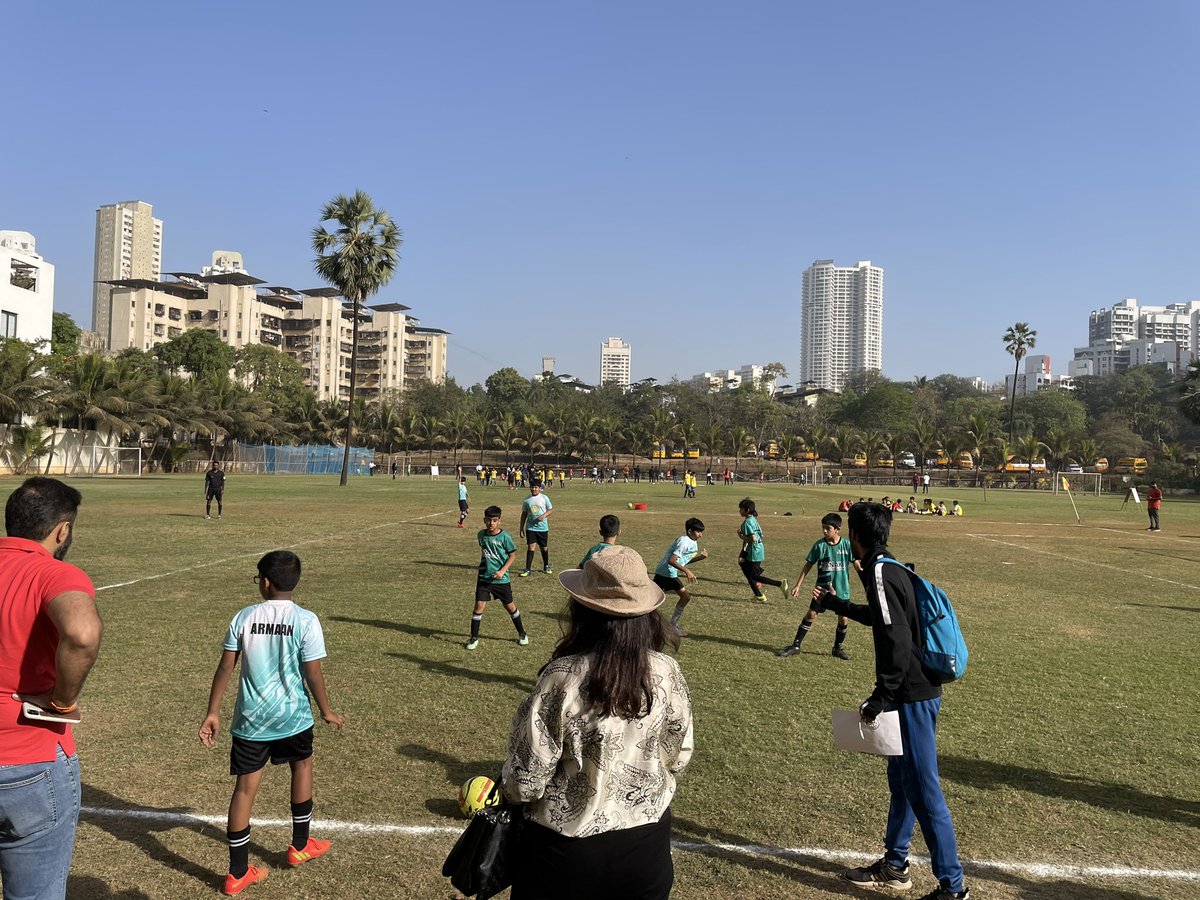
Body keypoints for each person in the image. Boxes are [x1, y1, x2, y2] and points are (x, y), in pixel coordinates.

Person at [503, 547, 693, 900]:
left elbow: (525, 781)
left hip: (565, 853)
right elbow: (679, 755)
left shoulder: (562, 678)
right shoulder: (667, 672)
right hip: (646, 848)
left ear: (582, 610)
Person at [818, 503, 970, 900]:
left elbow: (898, 640)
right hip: (908, 693)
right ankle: (895, 864)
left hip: (912, 696)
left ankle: (953, 888)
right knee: (902, 782)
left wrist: (880, 696)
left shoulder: (882, 571)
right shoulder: (886, 567)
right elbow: (883, 619)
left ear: (855, 535)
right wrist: (837, 605)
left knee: (924, 788)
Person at [199, 550, 345, 896]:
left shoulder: (245, 617)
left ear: (265, 582)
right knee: (303, 766)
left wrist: (213, 711)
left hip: (251, 722)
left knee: (245, 789)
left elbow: (225, 668)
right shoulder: (306, 620)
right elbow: (313, 672)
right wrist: (325, 709)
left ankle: (236, 873)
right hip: (293, 717)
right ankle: (299, 845)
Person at [0, 478, 102, 900]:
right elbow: (81, 633)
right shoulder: (53, 572)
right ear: (62, 530)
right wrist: (61, 700)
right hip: (29, 760)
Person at [779, 512, 855, 660]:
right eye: (823, 528)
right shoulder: (819, 545)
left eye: (828, 528)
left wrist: (867, 583)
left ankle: (837, 648)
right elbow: (808, 565)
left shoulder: (847, 545)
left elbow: (857, 564)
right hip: (822, 590)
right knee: (811, 614)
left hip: (842, 589)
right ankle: (796, 645)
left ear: (837, 529)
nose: (825, 531)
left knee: (843, 618)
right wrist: (798, 585)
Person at [465, 505, 529, 650]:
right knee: (479, 606)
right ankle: (474, 638)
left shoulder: (505, 537)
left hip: (501, 580)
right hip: (484, 578)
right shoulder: (481, 535)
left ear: (499, 521)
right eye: (488, 520)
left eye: (494, 520)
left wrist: (501, 571)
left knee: (510, 607)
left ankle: (522, 633)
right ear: (484, 520)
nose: (491, 523)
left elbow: (512, 555)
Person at [655, 517, 708, 637]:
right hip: (668, 573)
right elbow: (672, 560)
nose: (701, 534)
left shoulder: (691, 541)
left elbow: (683, 561)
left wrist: (700, 557)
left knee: (654, 599)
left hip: (665, 571)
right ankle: (672, 626)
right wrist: (687, 571)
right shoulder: (684, 542)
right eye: (698, 532)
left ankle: (655, 622)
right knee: (685, 597)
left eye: (702, 532)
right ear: (690, 531)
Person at [737, 498, 787, 603]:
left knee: (753, 575)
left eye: (741, 509)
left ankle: (780, 584)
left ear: (746, 510)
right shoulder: (754, 520)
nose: (739, 511)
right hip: (759, 549)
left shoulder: (747, 522)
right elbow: (761, 535)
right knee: (745, 567)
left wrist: (740, 536)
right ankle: (759, 595)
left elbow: (752, 538)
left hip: (754, 551)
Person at [518, 481, 554, 577]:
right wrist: (521, 528)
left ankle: (546, 566)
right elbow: (524, 514)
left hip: (542, 528)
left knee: (544, 548)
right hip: (530, 528)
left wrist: (544, 515)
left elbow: (551, 509)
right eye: (532, 487)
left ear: (539, 488)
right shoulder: (527, 500)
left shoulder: (544, 498)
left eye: (536, 487)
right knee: (531, 547)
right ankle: (527, 569)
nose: (533, 489)